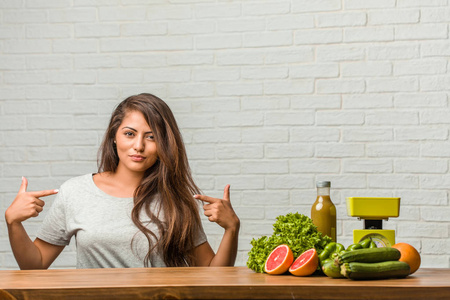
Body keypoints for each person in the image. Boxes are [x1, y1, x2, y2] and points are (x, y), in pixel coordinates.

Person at [5, 93, 240, 269]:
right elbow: (35, 264)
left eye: (151, 137)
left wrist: (231, 229)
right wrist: (14, 224)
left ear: (164, 145)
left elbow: (213, 273)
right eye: (129, 133)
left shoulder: (176, 200)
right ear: (114, 137)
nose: (138, 145)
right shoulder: (75, 192)